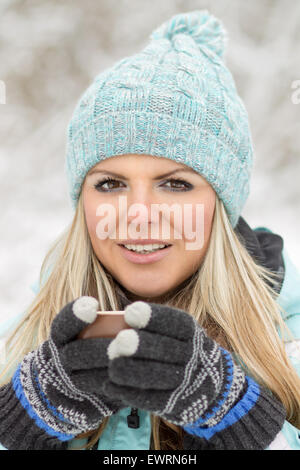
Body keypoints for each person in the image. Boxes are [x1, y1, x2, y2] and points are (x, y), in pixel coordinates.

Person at [0, 10, 299, 451]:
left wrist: (243, 422)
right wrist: (21, 428)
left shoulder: (287, 338)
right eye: (110, 184)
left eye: (176, 184)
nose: (138, 214)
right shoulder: (27, 334)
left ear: (222, 204)